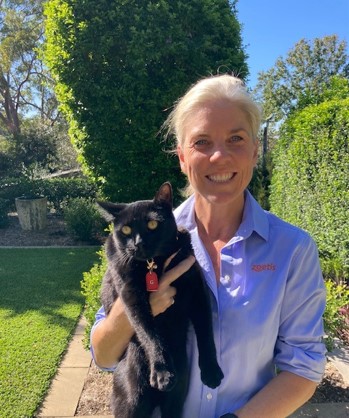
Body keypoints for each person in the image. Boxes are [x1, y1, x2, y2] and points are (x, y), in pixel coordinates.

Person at [90, 74, 326, 418]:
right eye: (202, 142)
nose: (219, 156)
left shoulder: (293, 250)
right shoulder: (144, 242)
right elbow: (104, 354)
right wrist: (137, 307)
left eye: (236, 139)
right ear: (182, 157)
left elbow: (303, 368)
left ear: (255, 150)